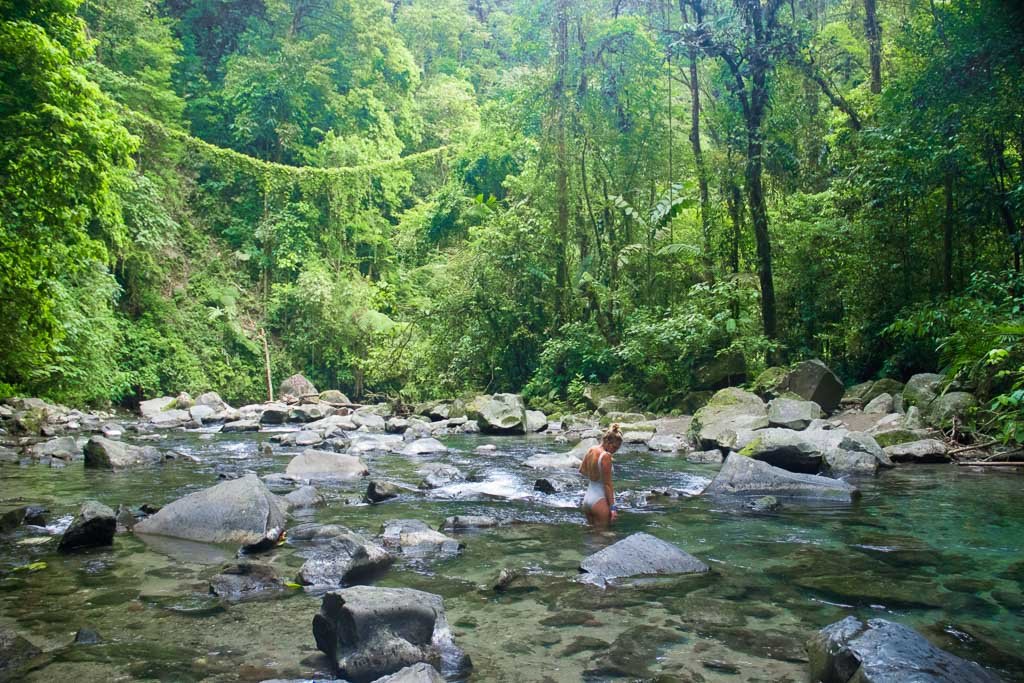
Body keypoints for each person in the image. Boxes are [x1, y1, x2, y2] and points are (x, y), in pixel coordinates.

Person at [579, 423, 623, 526]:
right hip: (600, 500)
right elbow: (607, 485)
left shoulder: (592, 449)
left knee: (590, 533)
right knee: (604, 538)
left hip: (587, 499)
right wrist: (613, 508)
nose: (615, 451)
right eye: (615, 447)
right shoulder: (606, 456)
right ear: (607, 442)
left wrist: (594, 475)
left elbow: (581, 470)